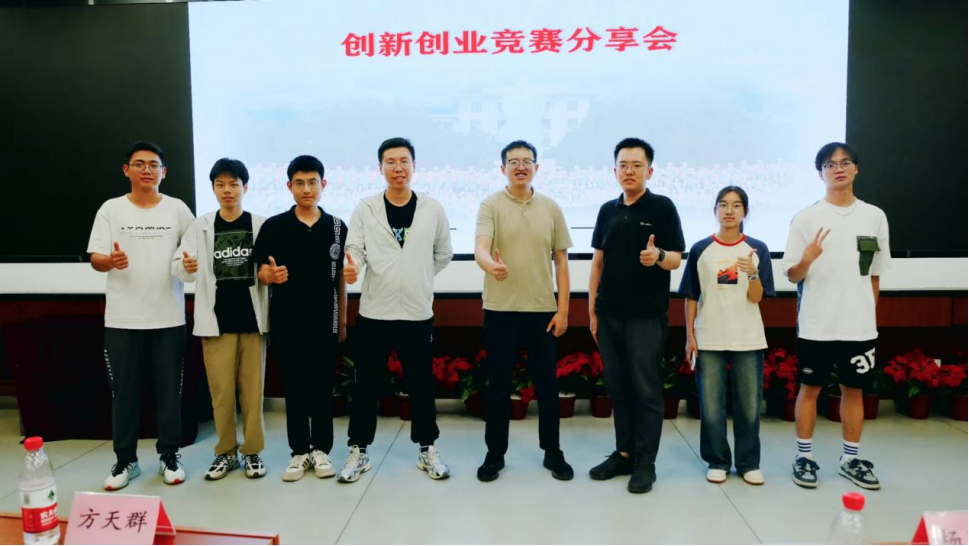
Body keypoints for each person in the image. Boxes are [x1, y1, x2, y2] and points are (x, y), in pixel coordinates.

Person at [342, 138, 454, 483]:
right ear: (380, 168)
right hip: (375, 313)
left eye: (404, 161)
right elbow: (355, 250)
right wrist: (352, 269)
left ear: (414, 166)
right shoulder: (366, 208)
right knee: (366, 385)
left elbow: (443, 254)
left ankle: (427, 449)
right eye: (390, 162)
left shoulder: (432, 209)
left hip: (417, 313)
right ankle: (359, 450)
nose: (398, 168)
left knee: (421, 385)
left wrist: (416, 276)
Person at [782, 143, 891, 491]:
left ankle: (850, 459)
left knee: (854, 391)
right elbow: (792, 275)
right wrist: (807, 259)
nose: (838, 169)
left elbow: (875, 275)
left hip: (859, 326)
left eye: (845, 163)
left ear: (856, 168)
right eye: (830, 165)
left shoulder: (874, 216)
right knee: (810, 390)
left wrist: (867, 315)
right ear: (820, 174)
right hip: (817, 323)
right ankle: (804, 457)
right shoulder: (806, 218)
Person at [88, 141, 195, 491]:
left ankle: (169, 456)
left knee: (169, 393)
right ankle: (126, 461)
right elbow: (96, 258)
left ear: (164, 172)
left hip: (168, 318)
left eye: (153, 165)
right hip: (123, 320)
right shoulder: (111, 209)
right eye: (139, 164)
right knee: (124, 395)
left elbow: (191, 254)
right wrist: (110, 261)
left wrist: (191, 264)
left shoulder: (178, 210)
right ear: (127, 170)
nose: (146, 170)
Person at [588, 138, 685, 494]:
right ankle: (624, 453)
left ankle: (646, 462)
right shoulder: (607, 211)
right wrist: (592, 311)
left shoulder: (662, 207)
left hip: (645, 316)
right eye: (623, 165)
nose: (629, 171)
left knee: (646, 390)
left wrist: (658, 256)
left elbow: (676, 258)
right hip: (609, 314)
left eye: (636, 165)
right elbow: (598, 263)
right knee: (618, 388)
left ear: (650, 171)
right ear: (615, 170)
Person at [474, 140, 574, 483]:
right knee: (499, 387)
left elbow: (561, 262)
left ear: (536, 167)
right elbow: (481, 248)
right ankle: (494, 455)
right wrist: (491, 266)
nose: (520, 166)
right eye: (513, 161)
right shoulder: (490, 204)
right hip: (500, 311)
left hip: (542, 312)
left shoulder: (551, 208)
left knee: (546, 386)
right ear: (503, 168)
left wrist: (563, 311)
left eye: (527, 161)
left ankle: (553, 452)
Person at [252, 155, 348, 483]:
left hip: (325, 320)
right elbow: (260, 271)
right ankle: (299, 452)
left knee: (322, 387)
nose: (306, 189)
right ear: (289, 186)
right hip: (287, 321)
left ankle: (321, 449)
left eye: (312, 182)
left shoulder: (337, 227)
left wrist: (342, 322)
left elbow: (341, 278)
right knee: (293, 387)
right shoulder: (274, 226)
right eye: (299, 183)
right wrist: (269, 276)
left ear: (323, 184)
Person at [173, 158, 269, 481]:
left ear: (245, 187)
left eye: (233, 184)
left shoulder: (260, 224)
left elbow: (268, 268)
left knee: (253, 393)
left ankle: (252, 452)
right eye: (220, 185)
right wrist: (186, 266)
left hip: (252, 321)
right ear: (213, 189)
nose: (227, 190)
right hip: (216, 322)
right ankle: (226, 452)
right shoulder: (200, 226)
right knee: (221, 393)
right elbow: (179, 266)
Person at [680, 186, 775, 486]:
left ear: (745, 211)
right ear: (715, 211)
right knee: (711, 407)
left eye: (736, 205)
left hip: (748, 338)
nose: (729, 211)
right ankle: (717, 461)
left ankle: (748, 463)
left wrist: (752, 273)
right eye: (723, 205)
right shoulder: (701, 249)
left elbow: (757, 297)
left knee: (749, 407)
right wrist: (690, 335)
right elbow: (691, 296)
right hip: (709, 337)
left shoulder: (757, 249)